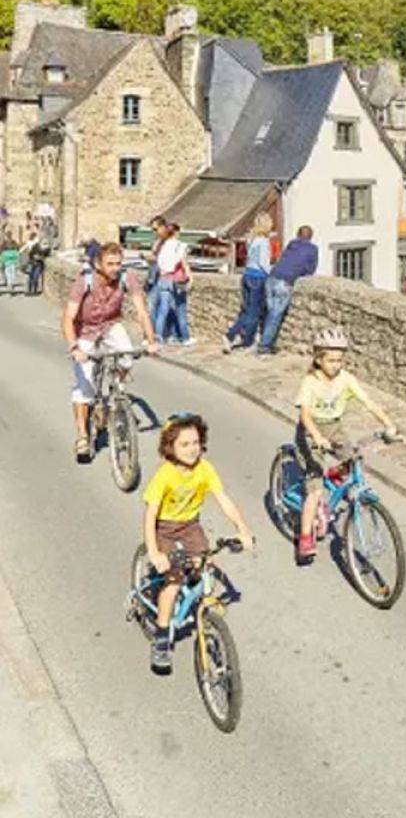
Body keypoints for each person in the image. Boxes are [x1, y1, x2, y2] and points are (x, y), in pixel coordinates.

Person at [142, 413, 254, 673]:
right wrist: (155, 552)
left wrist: (242, 529)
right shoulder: (165, 475)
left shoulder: (205, 469)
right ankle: (161, 638)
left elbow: (223, 499)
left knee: (205, 564)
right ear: (170, 447)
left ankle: (197, 601)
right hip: (165, 528)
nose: (192, 449)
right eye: (184, 444)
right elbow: (150, 516)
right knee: (173, 583)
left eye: (195, 442)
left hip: (190, 525)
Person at [294, 327, 398, 562]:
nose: (336, 365)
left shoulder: (346, 379)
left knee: (354, 460)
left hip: (335, 427)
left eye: (339, 360)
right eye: (331, 360)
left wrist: (389, 424)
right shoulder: (310, 382)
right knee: (315, 489)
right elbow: (305, 415)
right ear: (318, 359)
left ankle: (333, 474)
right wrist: (316, 437)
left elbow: (368, 402)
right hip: (311, 432)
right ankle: (305, 537)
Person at [61, 242, 158, 461]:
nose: (115, 268)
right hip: (85, 330)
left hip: (111, 325)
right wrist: (75, 347)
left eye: (118, 263)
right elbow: (68, 317)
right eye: (110, 264)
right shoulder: (84, 281)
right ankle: (82, 436)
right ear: (99, 264)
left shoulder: (126, 278)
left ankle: (115, 392)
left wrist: (151, 341)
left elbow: (142, 312)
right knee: (84, 386)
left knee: (127, 359)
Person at [257, 226, 319, 356]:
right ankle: (264, 346)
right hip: (284, 282)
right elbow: (310, 269)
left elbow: (283, 258)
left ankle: (266, 341)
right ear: (311, 236)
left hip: (272, 278)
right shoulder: (313, 249)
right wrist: (300, 273)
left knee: (271, 312)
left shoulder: (292, 244)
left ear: (298, 235)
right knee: (275, 315)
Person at [222, 215, 273, 353]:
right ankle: (243, 340)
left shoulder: (252, 239)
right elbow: (263, 262)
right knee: (253, 312)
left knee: (246, 310)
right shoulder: (263, 241)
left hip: (247, 274)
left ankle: (234, 336)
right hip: (258, 277)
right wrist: (270, 274)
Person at [153, 222, 195, 347]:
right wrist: (190, 277)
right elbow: (184, 263)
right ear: (176, 232)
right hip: (177, 280)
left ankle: (158, 337)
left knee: (162, 311)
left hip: (163, 279)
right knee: (181, 309)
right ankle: (185, 337)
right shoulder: (180, 246)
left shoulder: (163, 246)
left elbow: (159, 263)